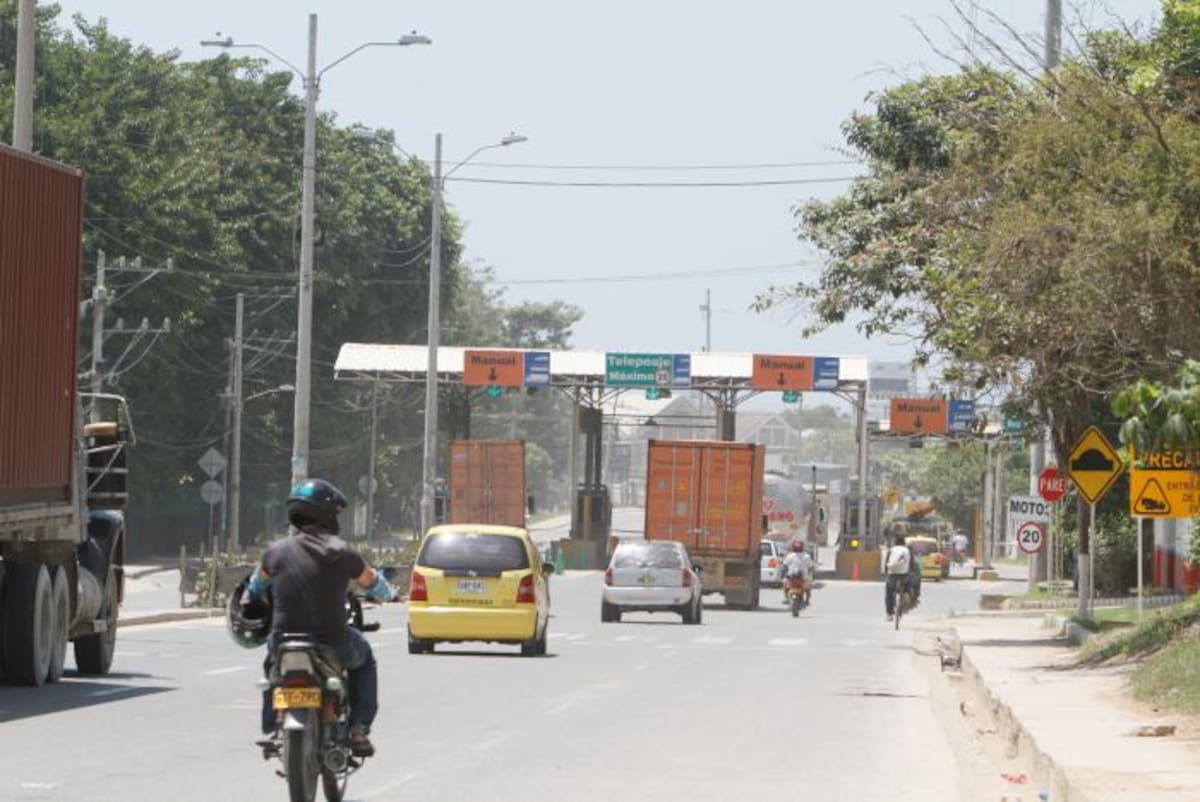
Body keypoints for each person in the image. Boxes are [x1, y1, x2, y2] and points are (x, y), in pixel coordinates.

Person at [242, 478, 396, 758]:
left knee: (271, 663)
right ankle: (359, 729)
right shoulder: (342, 551)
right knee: (365, 660)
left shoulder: (274, 552)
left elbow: (254, 587)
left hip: (283, 640)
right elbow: (376, 585)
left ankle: (272, 721)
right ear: (326, 514)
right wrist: (389, 592)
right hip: (332, 639)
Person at [884, 534, 911, 620]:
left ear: (895, 543)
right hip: (904, 573)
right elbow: (911, 564)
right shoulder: (907, 550)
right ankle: (906, 593)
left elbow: (886, 562)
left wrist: (886, 573)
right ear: (904, 543)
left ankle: (889, 614)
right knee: (908, 582)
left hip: (892, 573)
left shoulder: (891, 550)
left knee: (889, 592)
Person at [781, 540, 814, 604]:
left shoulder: (789, 556)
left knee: (785, 584)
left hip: (791, 576)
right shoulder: (807, 556)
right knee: (808, 587)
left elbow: (785, 565)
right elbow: (811, 566)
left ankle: (786, 598)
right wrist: (810, 574)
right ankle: (807, 600)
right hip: (803, 577)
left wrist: (784, 573)